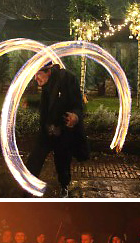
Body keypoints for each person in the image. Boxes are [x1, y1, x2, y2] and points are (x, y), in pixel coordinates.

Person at [24, 62, 86, 198]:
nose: (35, 78)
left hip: (63, 131)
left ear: (48, 71)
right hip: (47, 130)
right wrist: (31, 103)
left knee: (62, 161)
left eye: (38, 74)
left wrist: (75, 116)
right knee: (35, 158)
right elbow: (47, 105)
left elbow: (78, 104)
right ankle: (27, 188)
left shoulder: (68, 79)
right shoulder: (47, 84)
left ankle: (64, 187)